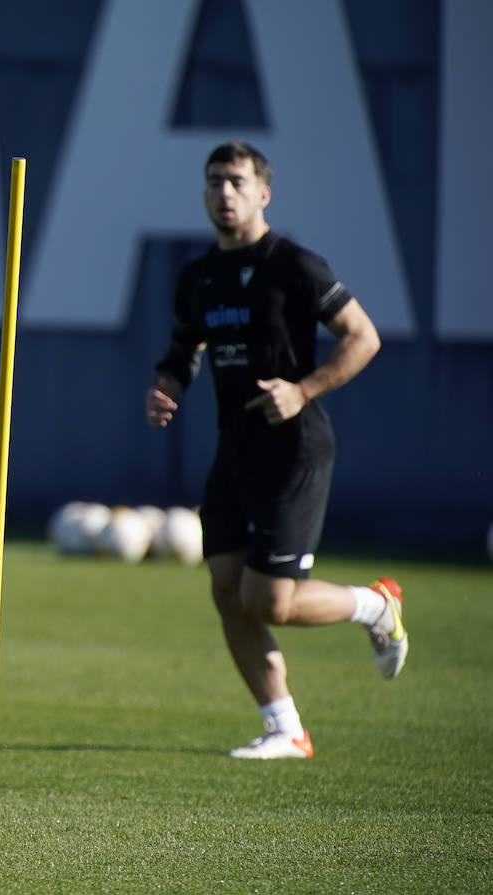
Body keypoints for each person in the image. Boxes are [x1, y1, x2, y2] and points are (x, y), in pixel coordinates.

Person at [146, 141, 408, 759]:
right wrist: (166, 386)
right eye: (214, 182)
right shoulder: (198, 278)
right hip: (234, 450)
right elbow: (184, 352)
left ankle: (376, 606)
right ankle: (284, 728)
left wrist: (305, 388)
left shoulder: (294, 265)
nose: (224, 192)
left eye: (237, 181)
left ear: (264, 193)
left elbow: (363, 337)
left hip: (294, 449)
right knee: (226, 591)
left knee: (271, 601)